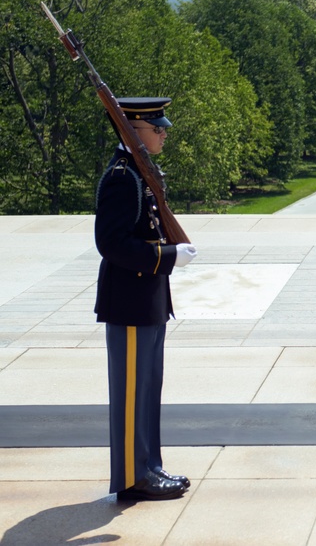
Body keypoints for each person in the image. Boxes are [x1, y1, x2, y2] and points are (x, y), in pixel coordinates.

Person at [95, 97, 198, 502]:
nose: (164, 134)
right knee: (131, 394)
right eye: (157, 129)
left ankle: (149, 467)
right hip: (130, 302)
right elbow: (112, 243)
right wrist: (168, 256)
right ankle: (132, 478)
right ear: (133, 131)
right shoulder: (123, 177)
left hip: (148, 300)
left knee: (147, 390)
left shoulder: (139, 171)